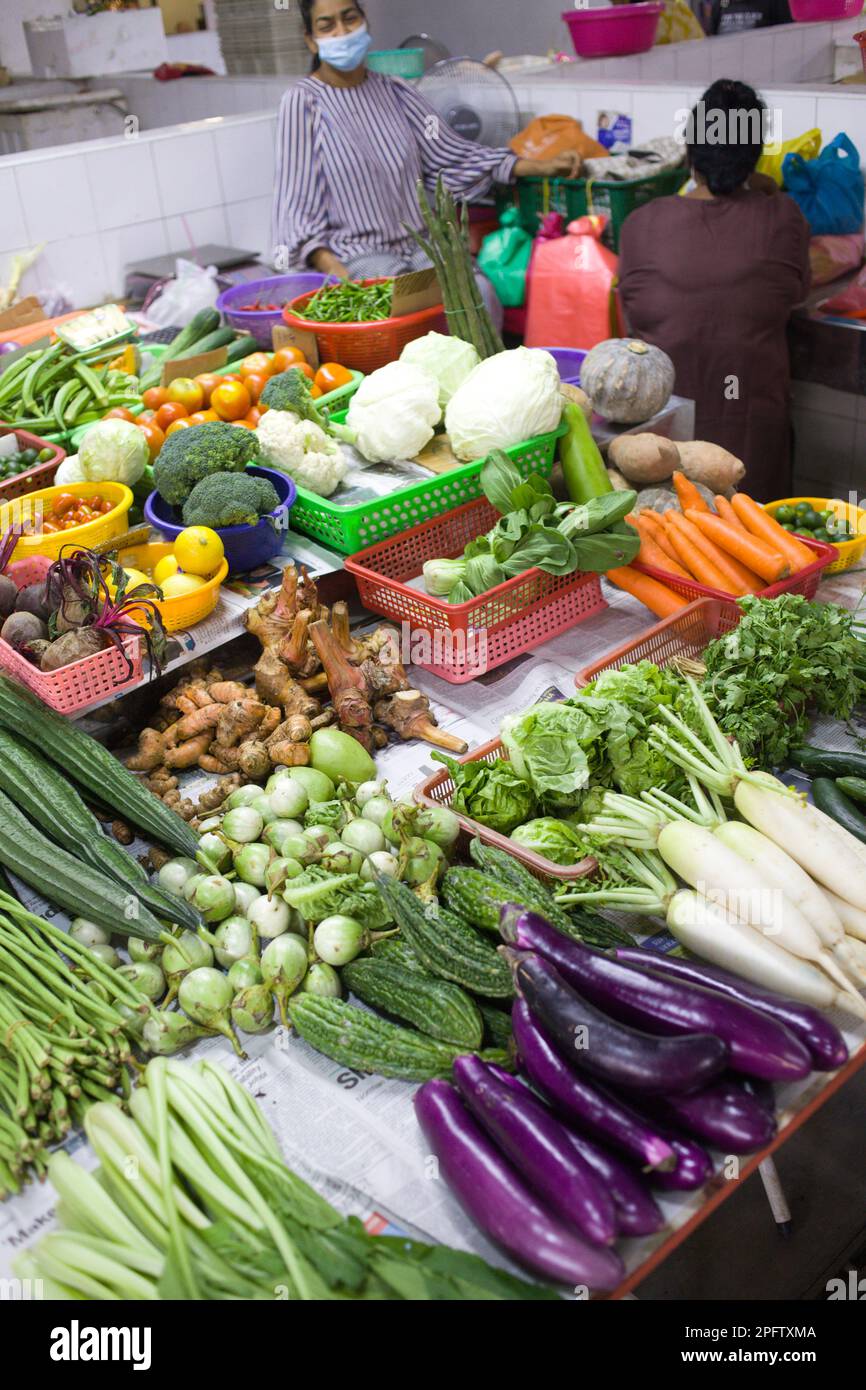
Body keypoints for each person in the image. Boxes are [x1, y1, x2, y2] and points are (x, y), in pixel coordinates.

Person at [271, 0, 583, 296]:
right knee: (404, 307)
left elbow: (451, 157)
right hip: (359, 256)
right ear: (311, 41)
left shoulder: (396, 91)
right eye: (326, 26)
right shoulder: (303, 103)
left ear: (365, 21)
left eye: (349, 18)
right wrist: (339, 277)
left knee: (480, 292)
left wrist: (539, 165)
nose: (341, 32)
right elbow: (297, 205)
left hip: (422, 244)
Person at [618, 79, 810, 499]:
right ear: (755, 158)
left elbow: (630, 316)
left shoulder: (641, 222)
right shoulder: (783, 218)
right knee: (762, 543)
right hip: (750, 448)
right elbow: (797, 293)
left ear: (690, 152)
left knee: (671, 539)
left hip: (658, 451)